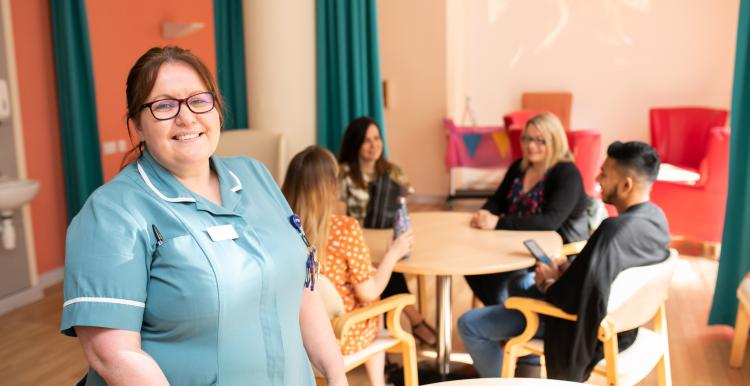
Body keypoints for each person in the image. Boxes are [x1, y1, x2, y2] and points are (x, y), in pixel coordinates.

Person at [60, 46, 347, 386]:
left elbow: (301, 291)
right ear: (137, 124)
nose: (187, 118)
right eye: (164, 106)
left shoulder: (255, 175)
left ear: (216, 108)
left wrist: (336, 375)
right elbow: (112, 354)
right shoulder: (111, 214)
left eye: (199, 99)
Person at [457, 141, 670, 380]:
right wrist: (567, 270)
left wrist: (547, 283)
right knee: (518, 284)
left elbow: (572, 303)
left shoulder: (613, 231)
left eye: (604, 173)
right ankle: (528, 369)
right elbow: (604, 276)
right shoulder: (656, 218)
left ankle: (509, 382)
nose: (598, 178)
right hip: (625, 325)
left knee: (470, 323)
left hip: (582, 328)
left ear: (626, 185)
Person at [283, 145, 414, 386]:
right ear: (330, 187)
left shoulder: (281, 228)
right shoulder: (345, 229)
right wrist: (393, 254)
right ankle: (378, 383)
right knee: (373, 303)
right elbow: (368, 291)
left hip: (297, 335)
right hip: (339, 334)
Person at [466, 112, 590, 307]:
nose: (531, 146)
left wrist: (498, 223)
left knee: (495, 273)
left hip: (553, 253)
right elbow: (498, 201)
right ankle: (501, 315)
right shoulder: (519, 167)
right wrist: (485, 213)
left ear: (555, 142)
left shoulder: (567, 173)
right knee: (471, 264)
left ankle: (503, 317)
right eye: (527, 139)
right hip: (515, 241)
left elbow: (550, 221)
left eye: (540, 141)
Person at [337, 116, 437, 347]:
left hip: (386, 240)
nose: (374, 145)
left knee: (388, 263)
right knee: (388, 268)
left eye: (377, 138)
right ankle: (416, 320)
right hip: (358, 243)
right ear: (355, 144)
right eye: (366, 141)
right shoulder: (343, 175)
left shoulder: (392, 172)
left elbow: (404, 209)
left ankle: (408, 322)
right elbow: (340, 218)